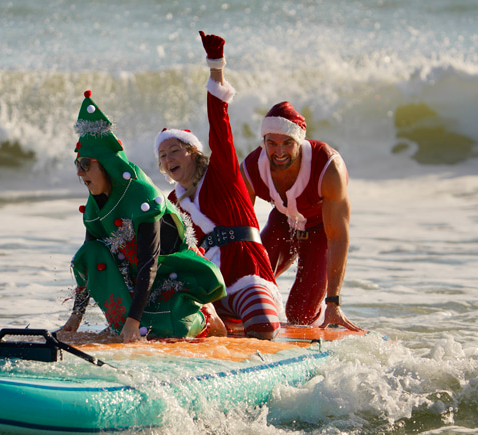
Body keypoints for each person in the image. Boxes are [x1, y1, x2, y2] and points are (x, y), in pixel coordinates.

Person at [59, 90, 227, 343]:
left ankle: (206, 314)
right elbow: (86, 266)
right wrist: (74, 321)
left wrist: (132, 322)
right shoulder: (95, 207)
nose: (80, 173)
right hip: (135, 277)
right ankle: (125, 323)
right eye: (77, 165)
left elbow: (150, 262)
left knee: (171, 329)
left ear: (106, 163)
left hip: (173, 271)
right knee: (91, 253)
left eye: (85, 164)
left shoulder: (141, 195)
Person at [155, 32, 283, 340]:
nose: (169, 158)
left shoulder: (220, 173)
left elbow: (219, 124)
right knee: (179, 328)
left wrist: (216, 67)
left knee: (264, 325)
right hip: (208, 283)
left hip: (247, 269)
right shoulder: (171, 201)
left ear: (193, 152)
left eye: (175, 150)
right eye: (162, 155)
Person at [240, 102, 361, 331]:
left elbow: (338, 237)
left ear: (300, 141)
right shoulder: (251, 168)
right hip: (282, 224)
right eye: (272, 144)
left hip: (320, 231)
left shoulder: (327, 167)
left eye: (288, 143)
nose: (280, 152)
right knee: (250, 280)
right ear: (263, 142)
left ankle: (322, 324)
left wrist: (333, 303)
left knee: (299, 314)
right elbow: (239, 229)